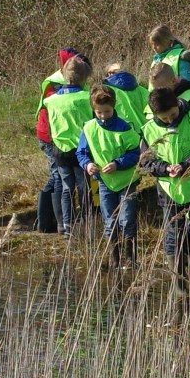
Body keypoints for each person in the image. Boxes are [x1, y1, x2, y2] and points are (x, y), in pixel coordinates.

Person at [139, 84, 190, 269]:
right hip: (169, 192)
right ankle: (179, 281)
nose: (169, 121)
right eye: (163, 118)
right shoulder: (148, 130)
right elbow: (146, 162)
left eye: (173, 115)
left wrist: (186, 166)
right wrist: (165, 169)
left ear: (178, 104)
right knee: (173, 235)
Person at [77, 85, 143, 264]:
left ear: (113, 107)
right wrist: (88, 164)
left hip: (127, 181)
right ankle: (114, 259)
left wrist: (117, 163)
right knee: (109, 221)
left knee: (127, 220)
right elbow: (81, 153)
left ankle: (130, 259)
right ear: (93, 110)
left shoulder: (124, 127)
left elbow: (137, 152)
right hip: (104, 182)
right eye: (99, 112)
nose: (103, 116)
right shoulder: (89, 128)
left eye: (107, 111)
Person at [37, 51, 92, 236]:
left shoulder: (51, 100)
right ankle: (87, 224)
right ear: (84, 77)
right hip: (81, 151)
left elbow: (50, 127)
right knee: (83, 188)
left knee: (67, 189)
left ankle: (67, 226)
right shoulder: (87, 98)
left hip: (59, 151)